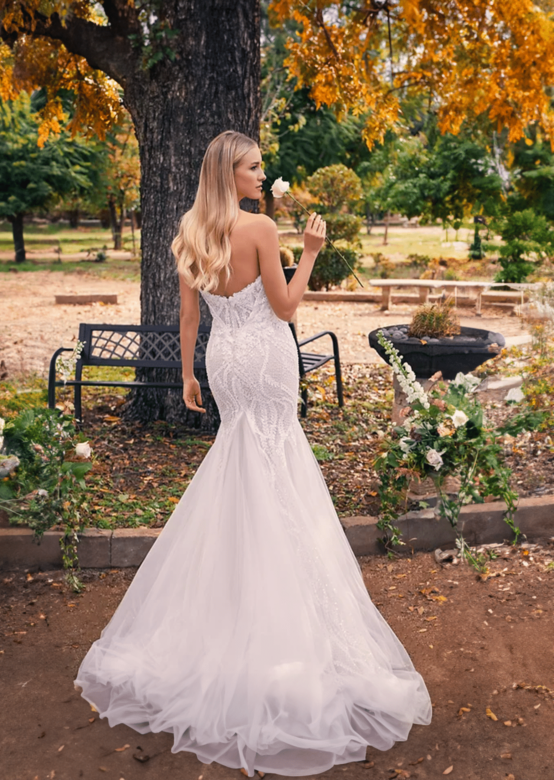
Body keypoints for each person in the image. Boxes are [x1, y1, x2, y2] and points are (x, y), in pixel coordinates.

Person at [74, 130, 432, 778]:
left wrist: (187, 376)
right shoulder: (262, 229)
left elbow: (189, 318)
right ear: (228, 174)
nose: (262, 175)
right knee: (278, 468)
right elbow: (287, 305)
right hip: (266, 357)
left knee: (237, 467)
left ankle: (231, 610)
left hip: (223, 362)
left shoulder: (190, 232)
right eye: (253, 167)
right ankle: (282, 622)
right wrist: (313, 252)